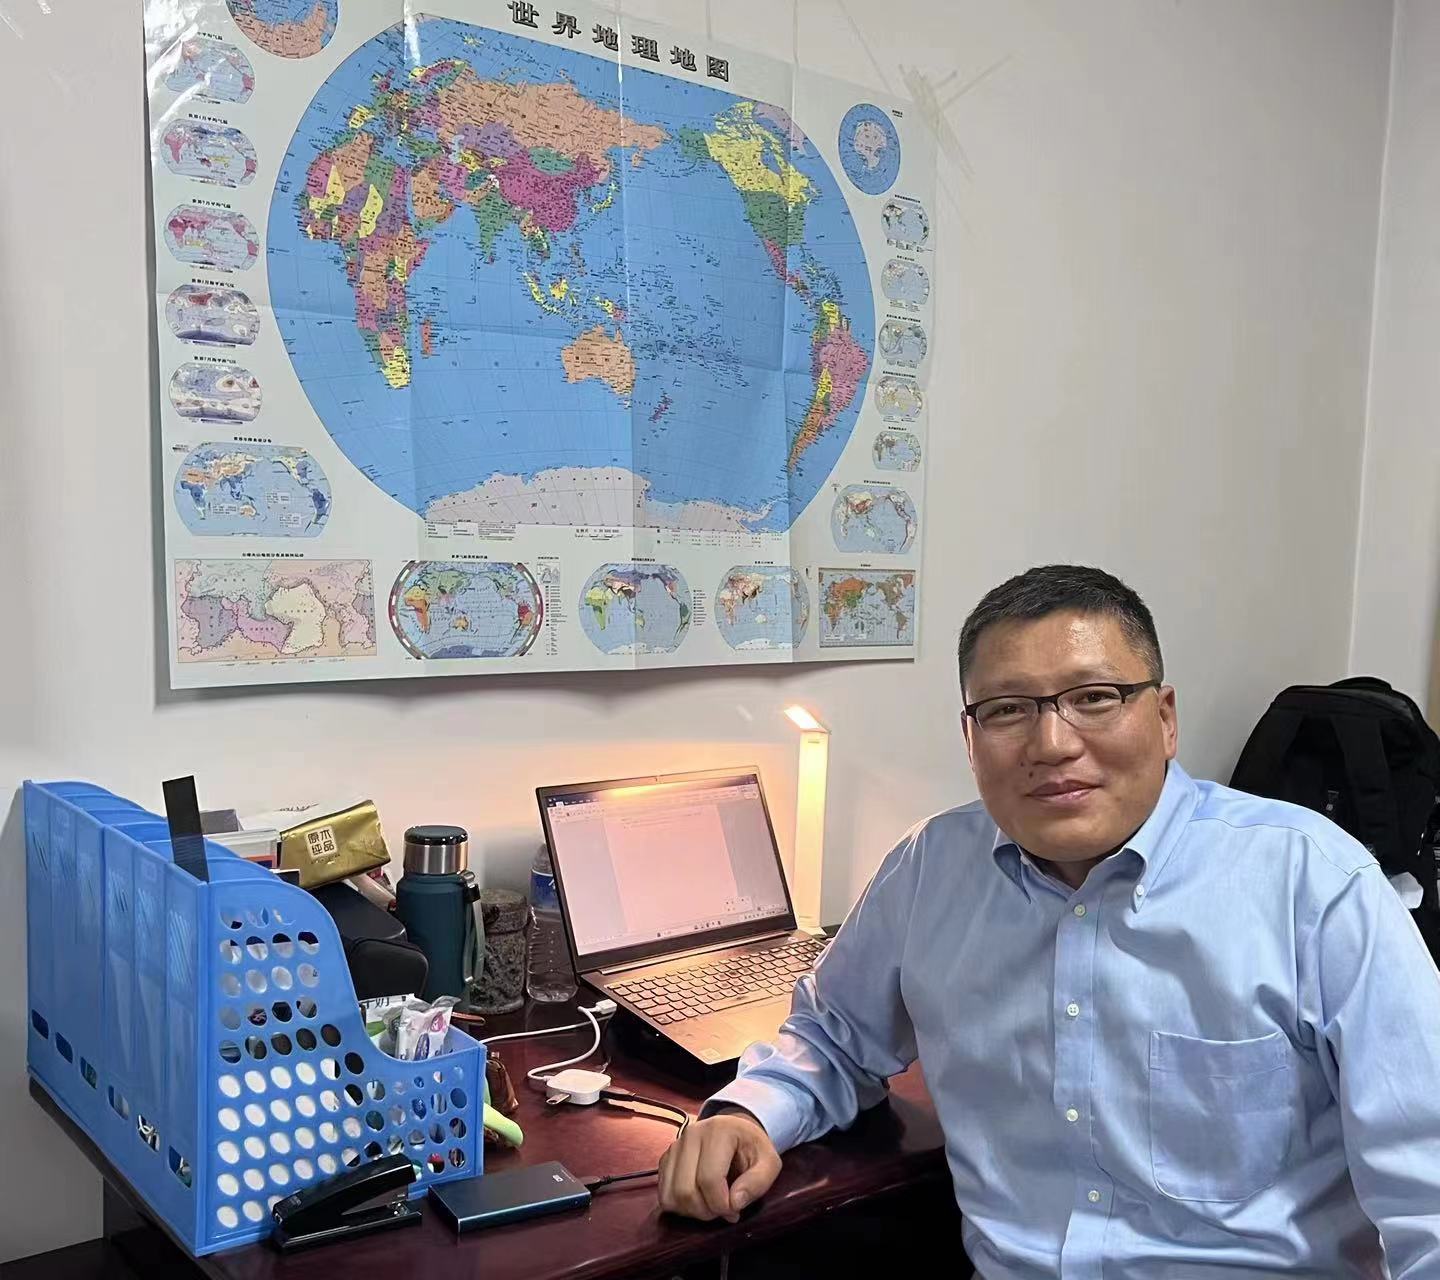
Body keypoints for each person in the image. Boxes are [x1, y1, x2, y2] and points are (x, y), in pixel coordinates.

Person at [657, 564, 1440, 1278]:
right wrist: (750, 1113)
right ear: (970, 739)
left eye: (1094, 698)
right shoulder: (931, 870)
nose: (1053, 743)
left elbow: (1428, 1192)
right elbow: (834, 1036)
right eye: (1007, 710)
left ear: (1165, 718)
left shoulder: (1312, 883)